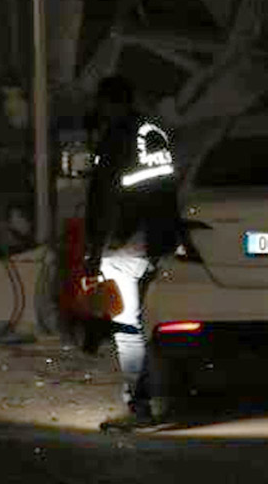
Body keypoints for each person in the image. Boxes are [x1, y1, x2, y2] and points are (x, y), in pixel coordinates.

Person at [81, 75, 182, 431]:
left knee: (126, 326)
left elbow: (110, 195)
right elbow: (165, 187)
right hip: (157, 240)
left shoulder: (117, 137)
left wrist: (97, 247)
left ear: (108, 103)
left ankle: (139, 408)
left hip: (124, 244)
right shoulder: (154, 131)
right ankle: (161, 399)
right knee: (148, 322)